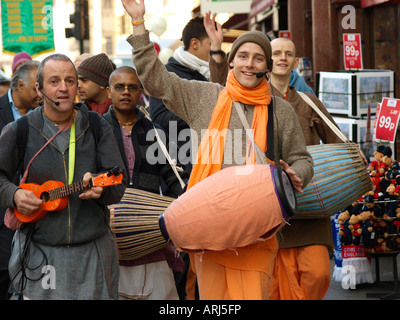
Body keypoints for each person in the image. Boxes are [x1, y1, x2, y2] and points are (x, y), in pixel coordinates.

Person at [121, 0, 314, 300]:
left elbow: (302, 159)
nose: (250, 64)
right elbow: (156, 81)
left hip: (258, 232)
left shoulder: (281, 111)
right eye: (244, 56)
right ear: (232, 60)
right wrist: (138, 24)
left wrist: (294, 173)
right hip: (208, 231)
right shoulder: (205, 97)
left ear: (267, 66)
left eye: (259, 58)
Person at [0, 53, 127, 300]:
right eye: (54, 81)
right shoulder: (20, 130)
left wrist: (102, 190)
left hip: (92, 253)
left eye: (70, 80)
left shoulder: (97, 126)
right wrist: (13, 194)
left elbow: (118, 183)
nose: (63, 88)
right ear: (39, 88)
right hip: (39, 255)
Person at [149, 11, 225, 300]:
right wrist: (206, 117)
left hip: (215, 177)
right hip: (183, 179)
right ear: (195, 44)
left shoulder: (209, 73)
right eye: (211, 45)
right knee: (188, 260)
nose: (215, 51)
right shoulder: (170, 75)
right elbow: (162, 118)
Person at [267, 37, 343, 300]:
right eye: (276, 53)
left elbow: (338, 142)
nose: (282, 58)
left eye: (288, 54)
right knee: (275, 284)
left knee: (318, 272)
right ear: (267, 59)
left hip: (310, 203)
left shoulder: (309, 102)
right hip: (272, 207)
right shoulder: (255, 102)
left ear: (296, 62)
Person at [103, 66, 187, 300]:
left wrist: (191, 197)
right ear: (109, 92)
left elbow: (174, 175)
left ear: (142, 92)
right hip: (107, 238)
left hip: (149, 236)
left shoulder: (155, 131)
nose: (126, 92)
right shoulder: (97, 130)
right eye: (119, 87)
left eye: (132, 87)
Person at [0, 60, 41, 300]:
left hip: (36, 212)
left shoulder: (46, 114)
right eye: (37, 86)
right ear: (20, 85)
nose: (41, 92)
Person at [0, 60, 41, 132]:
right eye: (36, 90)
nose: (41, 95)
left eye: (42, 90)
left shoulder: (46, 111)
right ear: (20, 86)